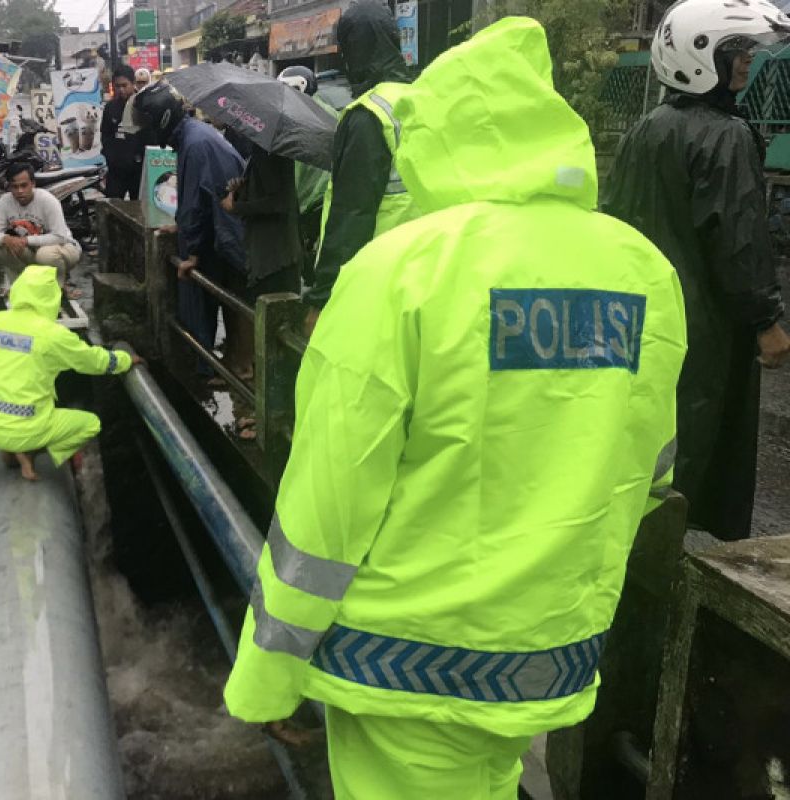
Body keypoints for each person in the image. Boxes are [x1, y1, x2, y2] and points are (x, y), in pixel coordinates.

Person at [223, 18, 688, 799]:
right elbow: (647, 465)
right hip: (548, 652)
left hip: (402, 659)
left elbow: (326, 510)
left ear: (436, 139)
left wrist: (267, 675)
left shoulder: (399, 272)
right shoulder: (641, 270)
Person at [602, 0, 790, 541]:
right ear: (703, 55)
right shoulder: (725, 136)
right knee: (697, 450)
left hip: (641, 318)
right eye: (738, 53)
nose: (747, 64)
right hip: (703, 330)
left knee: (647, 447)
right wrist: (765, 320)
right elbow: (738, 243)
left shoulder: (645, 130)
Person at [303, 1, 418, 335]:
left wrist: (322, 298)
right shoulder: (423, 99)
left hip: (373, 275)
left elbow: (352, 212)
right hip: (422, 268)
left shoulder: (368, 114)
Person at [0, 265, 133, 480]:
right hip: (26, 427)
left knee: (19, 407)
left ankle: (11, 451)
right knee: (90, 424)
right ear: (51, 297)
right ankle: (31, 452)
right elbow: (93, 361)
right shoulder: (53, 334)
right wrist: (125, 359)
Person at [133, 83, 247, 376]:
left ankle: (216, 374)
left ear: (161, 119)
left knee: (215, 311)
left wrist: (192, 253)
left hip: (223, 239)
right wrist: (181, 227)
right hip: (222, 233)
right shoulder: (194, 136)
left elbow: (196, 204)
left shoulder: (195, 144)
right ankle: (222, 369)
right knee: (228, 311)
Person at [221, 145, 301, 382]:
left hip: (273, 256)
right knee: (270, 329)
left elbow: (279, 202)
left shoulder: (270, 153)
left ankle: (269, 405)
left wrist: (236, 207)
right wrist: (241, 190)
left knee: (273, 333)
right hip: (273, 252)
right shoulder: (262, 151)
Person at [277, 65, 335, 282]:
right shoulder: (332, 114)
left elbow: (292, 176)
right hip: (329, 206)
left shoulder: (295, 122)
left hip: (305, 210)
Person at [0, 163, 82, 287]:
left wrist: (25, 240)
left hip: (65, 248)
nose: (20, 191)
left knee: (45, 255)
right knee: (0, 248)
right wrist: (5, 239)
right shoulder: (5, 201)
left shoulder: (47, 200)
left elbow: (60, 237)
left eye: (24, 185)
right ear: (9, 187)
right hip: (32, 252)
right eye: (15, 187)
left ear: (33, 184)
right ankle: (22, 285)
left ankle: (59, 286)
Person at [101, 64, 146, 200]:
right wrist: (111, 158)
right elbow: (105, 136)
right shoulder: (110, 108)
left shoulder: (143, 105)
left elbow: (150, 137)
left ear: (133, 84)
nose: (121, 90)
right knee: (112, 209)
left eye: (124, 85)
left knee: (139, 211)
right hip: (116, 171)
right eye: (117, 86)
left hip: (138, 170)